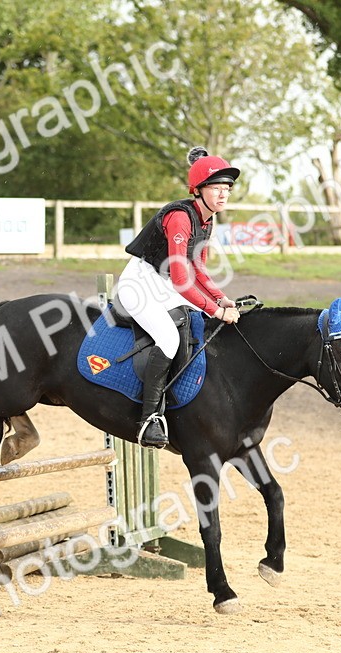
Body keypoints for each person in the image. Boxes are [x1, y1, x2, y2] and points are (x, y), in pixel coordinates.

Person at [118, 146, 241, 449]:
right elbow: (183, 282)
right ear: (198, 190)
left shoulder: (206, 221)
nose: (223, 194)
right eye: (217, 188)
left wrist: (220, 298)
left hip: (163, 283)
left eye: (227, 189)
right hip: (139, 282)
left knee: (194, 322)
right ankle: (150, 418)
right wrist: (216, 310)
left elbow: (197, 267)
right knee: (169, 339)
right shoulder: (180, 218)